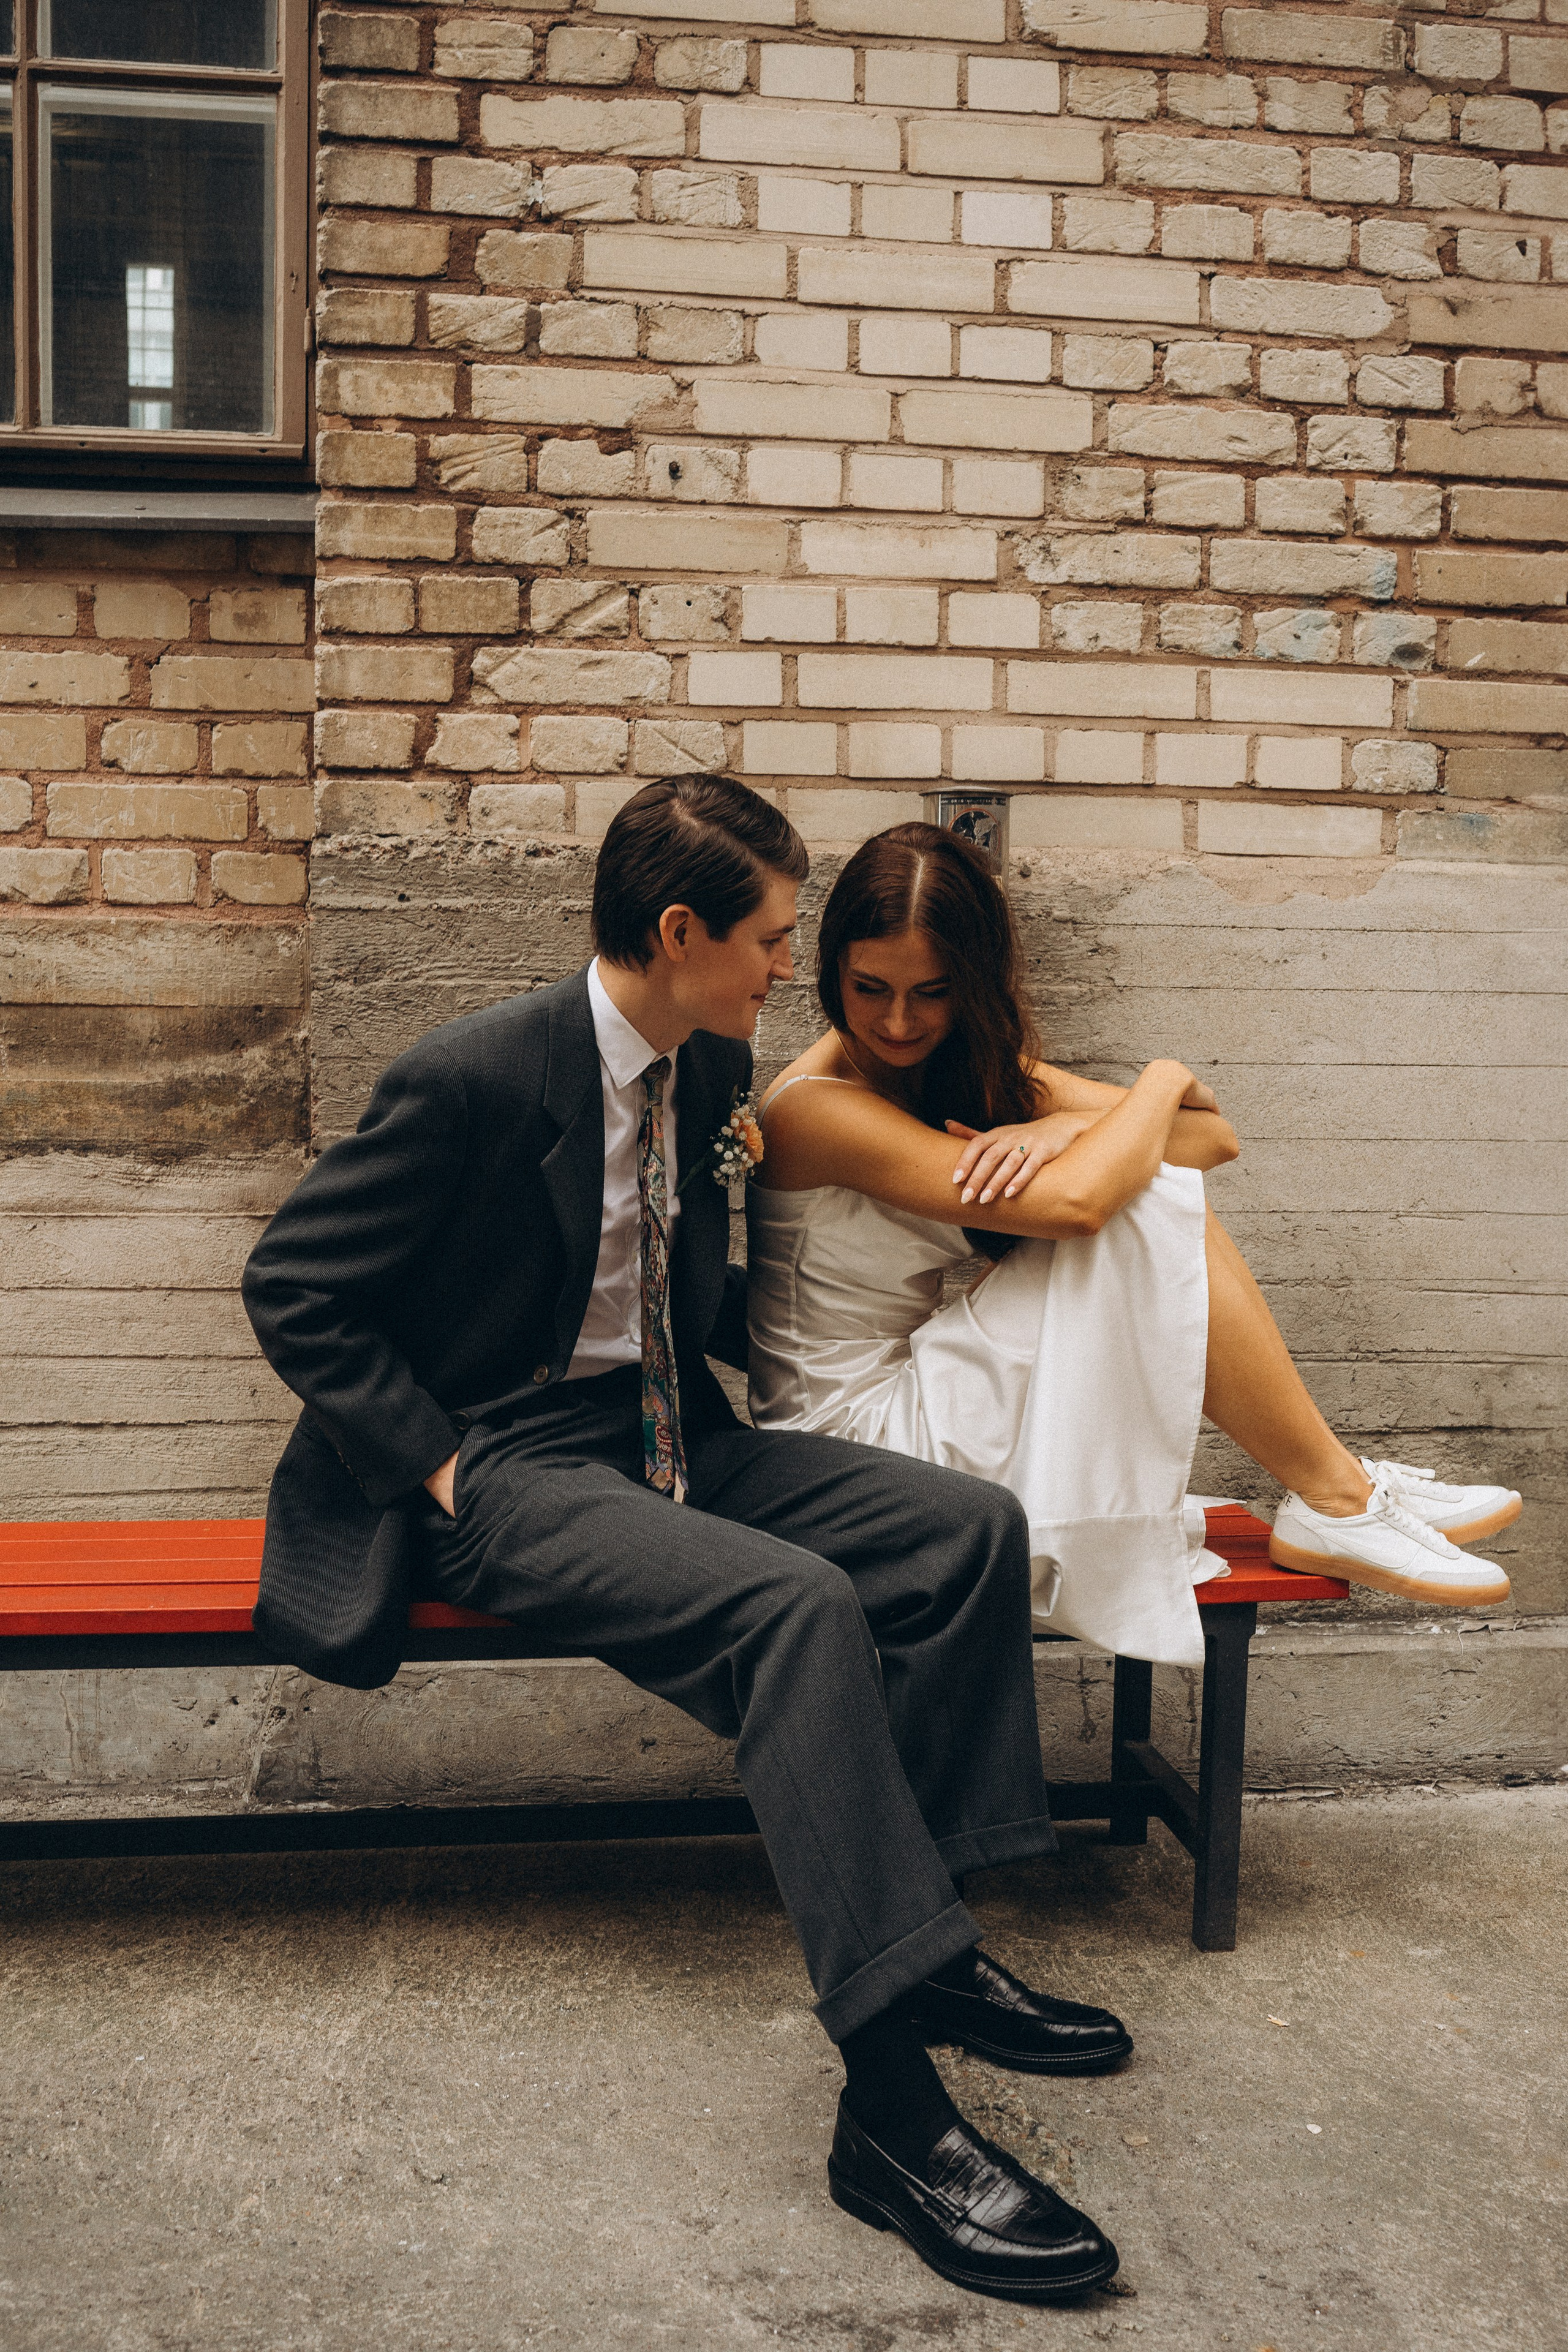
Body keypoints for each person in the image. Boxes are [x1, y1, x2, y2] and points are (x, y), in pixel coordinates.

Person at [243, 778, 1137, 2308]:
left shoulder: (710, 1056)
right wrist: (439, 1464)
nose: (790, 970)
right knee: (794, 1612)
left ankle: (928, 1946)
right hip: (504, 1458)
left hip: (668, 1435)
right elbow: (292, 1286)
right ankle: (894, 2118)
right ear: (680, 932)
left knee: (962, 1536)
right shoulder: (472, 1077)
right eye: (774, 940)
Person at [747, 823, 1518, 1670]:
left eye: (930, 992)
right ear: (830, 972)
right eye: (869, 988)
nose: (897, 1021)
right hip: (849, 1453)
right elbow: (1084, 1201)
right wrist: (1153, 1083)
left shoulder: (948, 1069)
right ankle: (1335, 1493)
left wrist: (1066, 1127)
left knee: (1145, 1184)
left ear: (970, 984)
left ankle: (1337, 1487)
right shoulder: (813, 1111)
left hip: (918, 1396)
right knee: (1139, 1201)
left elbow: (1213, 1137)